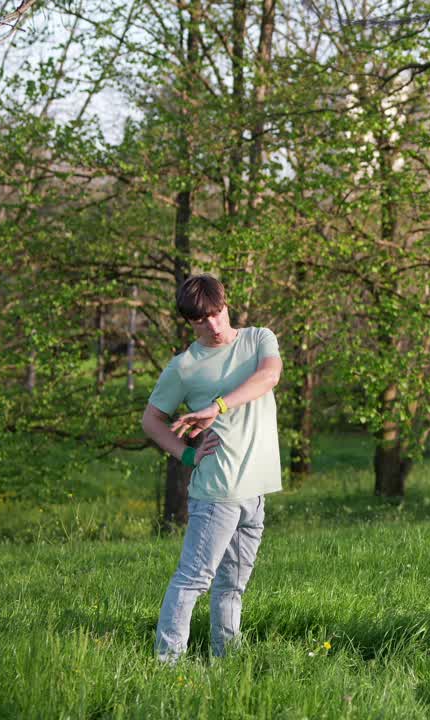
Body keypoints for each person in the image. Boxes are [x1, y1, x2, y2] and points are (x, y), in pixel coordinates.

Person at [141, 274, 284, 663]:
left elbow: (269, 376)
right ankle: (167, 664)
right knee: (193, 580)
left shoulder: (258, 340)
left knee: (231, 587)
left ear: (226, 304)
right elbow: (151, 421)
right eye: (202, 320)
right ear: (190, 322)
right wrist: (186, 455)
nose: (214, 326)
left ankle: (228, 662)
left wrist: (217, 406)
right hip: (217, 492)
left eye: (217, 314)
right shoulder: (184, 367)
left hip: (255, 492)